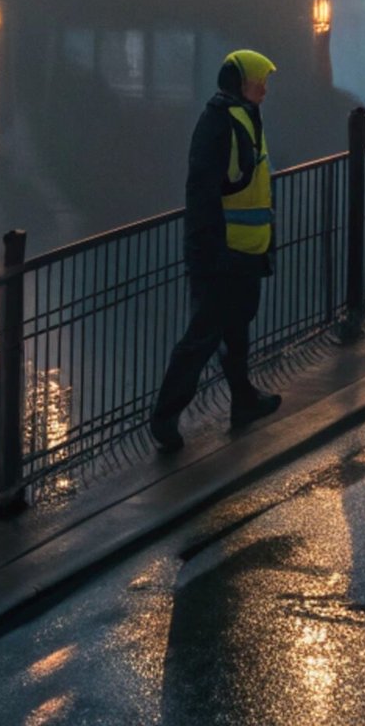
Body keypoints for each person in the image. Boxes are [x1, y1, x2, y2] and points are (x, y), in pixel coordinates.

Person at [149, 48, 285, 450]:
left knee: (234, 328)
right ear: (241, 84)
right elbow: (203, 191)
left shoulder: (240, 118)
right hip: (225, 251)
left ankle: (243, 400)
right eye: (260, 81)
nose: (265, 89)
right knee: (204, 335)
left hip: (244, 248)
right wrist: (210, 251)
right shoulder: (221, 123)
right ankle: (165, 417)